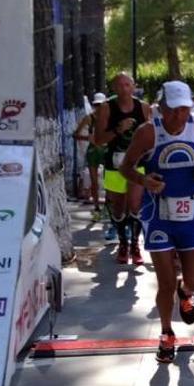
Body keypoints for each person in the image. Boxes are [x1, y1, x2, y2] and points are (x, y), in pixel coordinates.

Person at [119, 80, 194, 364]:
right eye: (173, 110)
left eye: (184, 109)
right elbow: (125, 166)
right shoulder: (148, 132)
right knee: (164, 282)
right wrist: (143, 179)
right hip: (158, 215)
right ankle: (166, 333)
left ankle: (186, 293)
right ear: (161, 107)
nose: (178, 116)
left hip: (191, 214)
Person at [94, 73, 152, 264]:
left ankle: (135, 244)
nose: (125, 89)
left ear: (134, 86)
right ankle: (123, 242)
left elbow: (152, 137)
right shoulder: (106, 108)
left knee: (135, 204)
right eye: (120, 85)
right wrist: (118, 130)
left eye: (128, 84)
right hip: (115, 164)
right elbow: (98, 140)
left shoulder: (143, 107)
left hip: (137, 164)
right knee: (118, 208)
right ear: (114, 88)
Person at [73, 92, 108, 220]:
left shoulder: (110, 118)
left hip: (106, 150)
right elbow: (75, 135)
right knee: (94, 182)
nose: (98, 108)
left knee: (109, 181)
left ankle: (108, 207)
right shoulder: (89, 118)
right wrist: (87, 138)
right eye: (96, 105)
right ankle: (97, 207)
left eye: (101, 105)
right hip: (93, 151)